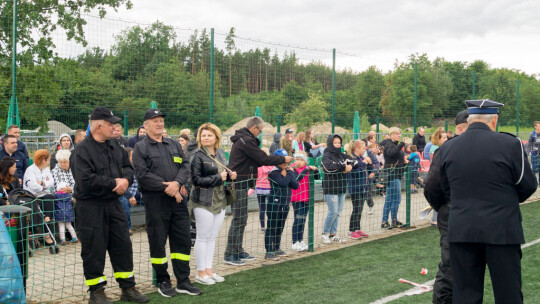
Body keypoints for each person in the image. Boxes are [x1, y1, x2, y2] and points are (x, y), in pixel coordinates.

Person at [439, 99, 537, 304]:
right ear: (494, 121)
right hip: (502, 230)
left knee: (465, 296)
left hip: (462, 230)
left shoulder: (448, 147)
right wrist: (506, 201)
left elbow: (445, 188)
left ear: (470, 119)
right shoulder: (510, 144)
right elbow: (528, 185)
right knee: (508, 294)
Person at [70, 106, 148, 304]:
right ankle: (96, 293)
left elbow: (128, 167)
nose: (114, 127)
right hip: (90, 206)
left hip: (114, 204)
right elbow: (85, 180)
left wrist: (126, 181)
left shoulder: (114, 145)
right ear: (98, 126)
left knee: (122, 245)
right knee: (94, 249)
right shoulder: (81, 151)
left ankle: (128, 288)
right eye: (110, 123)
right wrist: (115, 183)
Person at [132, 108, 200, 298]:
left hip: (178, 200)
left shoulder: (173, 145)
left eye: (161, 120)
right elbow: (143, 175)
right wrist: (168, 188)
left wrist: (177, 183)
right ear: (145, 126)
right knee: (158, 242)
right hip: (156, 202)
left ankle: (183, 281)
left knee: (183, 240)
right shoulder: (141, 148)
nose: (159, 123)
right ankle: (163, 280)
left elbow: (185, 166)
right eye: (155, 121)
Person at [224, 117, 292, 266]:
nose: (260, 134)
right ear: (254, 128)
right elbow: (262, 158)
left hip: (241, 182)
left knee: (242, 219)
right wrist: (283, 158)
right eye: (260, 131)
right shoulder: (246, 140)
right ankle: (230, 253)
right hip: (238, 183)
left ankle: (238, 249)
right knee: (238, 219)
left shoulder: (243, 139)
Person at [424, 109, 469, 304]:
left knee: (468, 263)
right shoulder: (446, 149)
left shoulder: (477, 147)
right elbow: (431, 186)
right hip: (451, 211)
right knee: (450, 264)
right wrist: (444, 206)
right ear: (460, 128)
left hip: (469, 213)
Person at [189, 123, 237, 285]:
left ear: (216, 137)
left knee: (212, 237)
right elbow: (195, 180)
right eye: (203, 135)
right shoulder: (197, 156)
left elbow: (222, 172)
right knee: (202, 237)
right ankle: (200, 272)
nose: (206, 138)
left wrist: (230, 176)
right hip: (203, 200)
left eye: (209, 135)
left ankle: (208, 270)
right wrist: (219, 178)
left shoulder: (221, 153)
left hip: (220, 199)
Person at [265, 149, 308, 260]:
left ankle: (277, 248)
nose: (286, 163)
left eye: (286, 160)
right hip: (274, 204)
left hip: (285, 204)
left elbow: (295, 185)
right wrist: (289, 173)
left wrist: (288, 172)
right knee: (271, 227)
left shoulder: (288, 170)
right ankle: (269, 251)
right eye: (283, 160)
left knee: (280, 227)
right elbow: (283, 183)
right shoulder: (273, 172)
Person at [320, 134, 352, 244]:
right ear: (330, 143)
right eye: (335, 143)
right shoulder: (326, 156)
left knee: (338, 212)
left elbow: (354, 162)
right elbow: (329, 168)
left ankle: (333, 234)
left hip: (342, 187)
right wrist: (344, 167)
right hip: (331, 187)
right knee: (332, 211)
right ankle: (325, 233)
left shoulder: (342, 155)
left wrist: (349, 166)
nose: (338, 145)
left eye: (339, 143)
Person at [23, 149, 58, 249]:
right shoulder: (30, 170)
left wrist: (42, 183)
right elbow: (33, 186)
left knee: (50, 197)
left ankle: (47, 218)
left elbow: (52, 182)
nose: (48, 162)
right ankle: (46, 232)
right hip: (32, 196)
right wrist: (44, 185)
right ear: (43, 160)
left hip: (43, 193)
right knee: (39, 203)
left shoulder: (46, 169)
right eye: (48, 160)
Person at [290, 151, 318, 251]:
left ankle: (300, 240)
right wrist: (307, 169)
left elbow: (317, 177)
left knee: (303, 220)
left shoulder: (306, 169)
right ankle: (294, 242)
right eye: (297, 159)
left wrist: (315, 170)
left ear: (305, 162)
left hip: (306, 198)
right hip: (297, 199)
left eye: (301, 160)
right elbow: (297, 178)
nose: (299, 162)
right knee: (298, 219)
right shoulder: (292, 169)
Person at [381, 127, 408, 229]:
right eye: (396, 133)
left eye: (399, 133)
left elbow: (395, 156)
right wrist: (401, 145)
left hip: (395, 173)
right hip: (392, 174)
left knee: (389, 199)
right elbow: (391, 153)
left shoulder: (394, 145)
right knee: (396, 199)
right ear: (391, 135)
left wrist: (403, 161)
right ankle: (394, 220)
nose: (399, 135)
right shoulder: (388, 145)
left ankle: (385, 221)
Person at [51, 149, 78, 245]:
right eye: (60, 162)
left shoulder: (74, 169)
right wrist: (71, 189)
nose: (62, 164)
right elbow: (58, 188)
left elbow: (77, 184)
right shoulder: (55, 171)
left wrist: (71, 189)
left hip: (74, 193)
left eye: (65, 162)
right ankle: (67, 236)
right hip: (62, 198)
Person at [346, 140, 371, 239]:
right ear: (357, 149)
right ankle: (351, 231)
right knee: (356, 209)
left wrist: (367, 164)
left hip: (362, 188)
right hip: (355, 188)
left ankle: (357, 228)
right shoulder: (351, 158)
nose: (365, 149)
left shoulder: (360, 158)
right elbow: (353, 172)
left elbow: (365, 168)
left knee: (360, 209)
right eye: (363, 148)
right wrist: (364, 163)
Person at [119, 147, 137, 234]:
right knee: (124, 201)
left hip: (137, 191)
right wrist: (130, 196)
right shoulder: (120, 168)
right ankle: (127, 227)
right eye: (132, 155)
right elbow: (121, 186)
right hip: (125, 193)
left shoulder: (136, 165)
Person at [255, 148, 273, 232]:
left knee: (262, 208)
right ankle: (270, 225)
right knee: (270, 208)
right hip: (269, 188)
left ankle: (262, 227)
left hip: (259, 188)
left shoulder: (258, 166)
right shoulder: (271, 165)